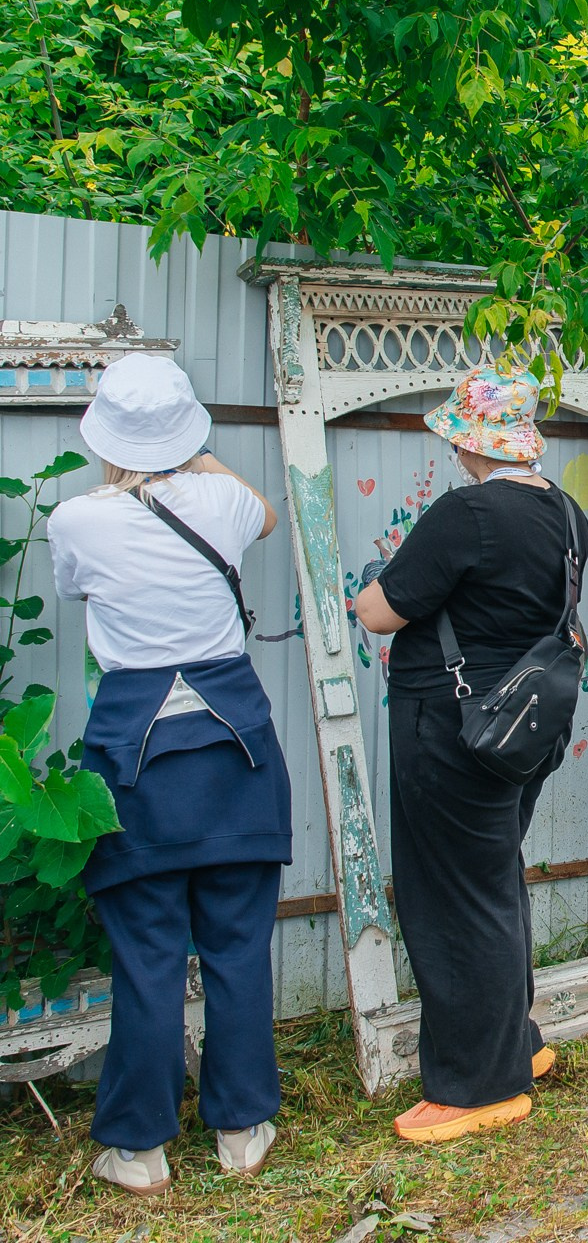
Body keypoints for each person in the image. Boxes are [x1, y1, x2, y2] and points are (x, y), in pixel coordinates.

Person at [49, 354, 289, 1193]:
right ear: (187, 430)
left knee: (147, 952)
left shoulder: (77, 519)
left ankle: (139, 1147)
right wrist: (196, 452)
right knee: (236, 945)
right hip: (237, 743)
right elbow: (260, 514)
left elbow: (79, 595)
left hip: (135, 750)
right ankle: (243, 1125)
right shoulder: (221, 500)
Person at [354, 367, 588, 1142]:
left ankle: (479, 1085)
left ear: (471, 440)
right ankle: (513, 1041)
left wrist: (359, 595)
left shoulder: (469, 513)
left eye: (458, 437)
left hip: (453, 730)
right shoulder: (566, 512)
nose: (454, 450)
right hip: (523, 725)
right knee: (491, 878)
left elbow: (383, 611)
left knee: (452, 897)